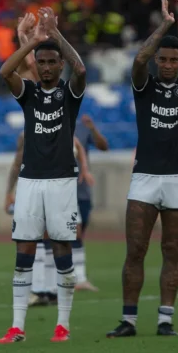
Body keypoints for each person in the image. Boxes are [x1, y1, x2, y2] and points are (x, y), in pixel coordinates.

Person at [106, 0, 178, 339]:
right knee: (135, 250)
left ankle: (165, 320)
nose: (166, 64)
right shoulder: (144, 86)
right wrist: (165, 24)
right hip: (145, 178)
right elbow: (138, 60)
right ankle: (129, 320)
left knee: (172, 250)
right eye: (162, 59)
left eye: (172, 60)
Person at [0, 7, 86, 344]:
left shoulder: (69, 95)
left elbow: (81, 68)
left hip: (61, 180)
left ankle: (62, 325)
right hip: (30, 181)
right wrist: (32, 41)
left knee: (62, 248)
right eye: (42, 62)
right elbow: (6, 70)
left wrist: (54, 34)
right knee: (24, 253)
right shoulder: (30, 95)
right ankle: (17, 327)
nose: (47, 67)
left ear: (59, 65)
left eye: (52, 62)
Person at [5, 131, 92, 308]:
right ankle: (49, 291)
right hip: (56, 191)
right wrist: (84, 169)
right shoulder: (60, 131)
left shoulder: (34, 132)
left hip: (45, 190)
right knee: (51, 240)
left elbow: (17, 162)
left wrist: (9, 191)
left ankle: (42, 291)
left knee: (39, 239)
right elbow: (78, 146)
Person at [72, 114, 109, 292]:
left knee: (80, 231)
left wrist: (93, 128)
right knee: (74, 232)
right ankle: (78, 278)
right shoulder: (50, 123)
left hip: (83, 188)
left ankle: (73, 276)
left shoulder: (82, 126)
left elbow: (104, 147)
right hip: (63, 188)